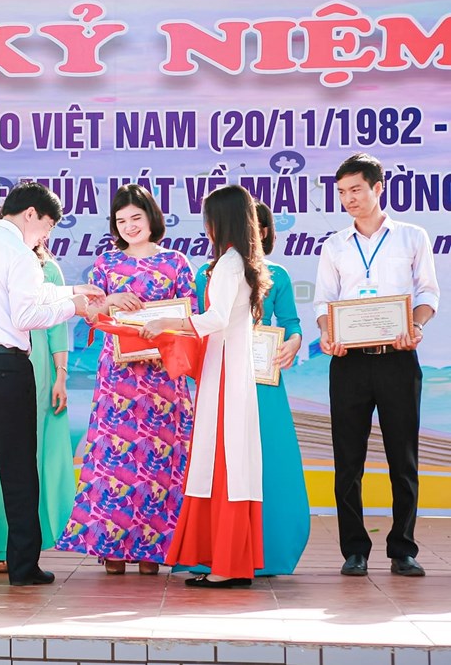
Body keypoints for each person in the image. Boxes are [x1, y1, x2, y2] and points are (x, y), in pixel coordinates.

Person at [0, 182, 104, 586]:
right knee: (18, 469)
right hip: (5, 368)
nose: (45, 236)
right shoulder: (20, 253)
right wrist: (74, 306)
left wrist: (72, 290)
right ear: (31, 214)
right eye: (48, 226)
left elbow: (23, 293)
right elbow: (26, 314)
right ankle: (23, 567)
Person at [56, 184, 197, 575]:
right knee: (114, 461)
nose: (130, 226)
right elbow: (90, 315)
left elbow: (191, 316)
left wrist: (164, 324)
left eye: (136, 217)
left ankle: (154, 550)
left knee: (159, 461)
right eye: (121, 221)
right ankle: (112, 548)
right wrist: (108, 302)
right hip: (118, 378)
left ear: (152, 217)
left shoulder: (176, 262)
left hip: (163, 377)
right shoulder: (106, 264)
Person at [314, 153, 438, 578]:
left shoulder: (412, 237)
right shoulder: (334, 245)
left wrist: (415, 326)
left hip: (398, 358)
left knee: (403, 458)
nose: (349, 199)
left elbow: (428, 293)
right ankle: (354, 550)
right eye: (342, 192)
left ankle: (403, 548)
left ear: (378, 187)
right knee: (348, 460)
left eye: (356, 189)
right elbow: (323, 301)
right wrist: (327, 332)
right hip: (348, 362)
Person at [143, 184, 270, 588]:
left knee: (223, 461)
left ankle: (227, 564)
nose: (205, 226)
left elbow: (216, 318)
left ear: (222, 219)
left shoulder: (230, 263)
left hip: (226, 369)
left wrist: (167, 323)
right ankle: (226, 560)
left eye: (209, 217)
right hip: (225, 366)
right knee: (225, 461)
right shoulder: (239, 260)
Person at [187, 202, 309, 576]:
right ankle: (223, 551)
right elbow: (204, 322)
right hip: (224, 373)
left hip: (264, 378)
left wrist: (293, 342)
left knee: (268, 460)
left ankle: (268, 551)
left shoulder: (276, 275)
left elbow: (291, 323)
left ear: (265, 231)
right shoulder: (208, 273)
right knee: (222, 461)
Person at [0, 216, 76, 575]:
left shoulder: (47, 269)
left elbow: (57, 326)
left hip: (37, 366)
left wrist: (61, 376)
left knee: (29, 456)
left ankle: (23, 545)